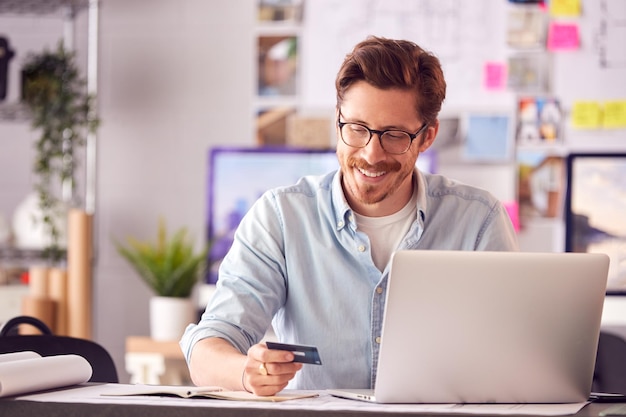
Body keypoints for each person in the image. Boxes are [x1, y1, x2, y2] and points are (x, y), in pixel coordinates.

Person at [180, 36, 519, 396]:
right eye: (357, 129)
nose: (371, 155)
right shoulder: (282, 217)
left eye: (393, 135)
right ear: (338, 121)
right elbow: (207, 344)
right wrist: (246, 373)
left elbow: (519, 353)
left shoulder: (478, 222)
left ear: (427, 137)